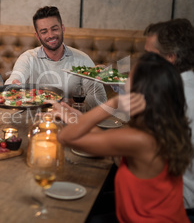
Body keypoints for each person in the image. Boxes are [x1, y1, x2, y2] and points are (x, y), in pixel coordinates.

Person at [51, 52, 193, 222]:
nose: (124, 82)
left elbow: (66, 137)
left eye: (129, 78)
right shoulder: (161, 128)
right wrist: (77, 118)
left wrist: (113, 103)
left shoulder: (140, 139)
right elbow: (108, 140)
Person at [5, 6, 107, 109]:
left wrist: (67, 103)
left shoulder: (82, 59)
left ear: (63, 29)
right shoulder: (28, 58)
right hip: (34, 118)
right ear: (37, 36)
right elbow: (13, 81)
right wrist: (13, 85)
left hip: (72, 119)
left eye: (54, 29)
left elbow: (100, 98)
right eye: (44, 32)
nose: (50, 35)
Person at [144, 18, 194, 209]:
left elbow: (137, 157)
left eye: (149, 55)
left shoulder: (173, 97)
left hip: (175, 204)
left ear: (171, 57)